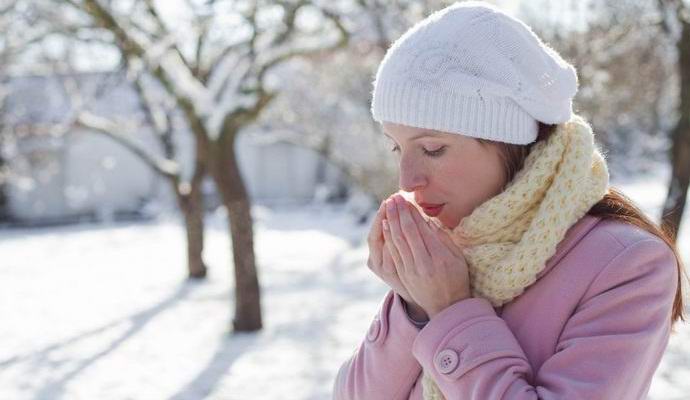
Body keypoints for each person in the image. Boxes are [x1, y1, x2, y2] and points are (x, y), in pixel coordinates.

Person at [332, 1, 687, 400]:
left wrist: (450, 310)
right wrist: (413, 308)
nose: (407, 181)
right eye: (397, 148)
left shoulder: (627, 264)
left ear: (508, 142)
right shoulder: (452, 243)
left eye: (432, 149)